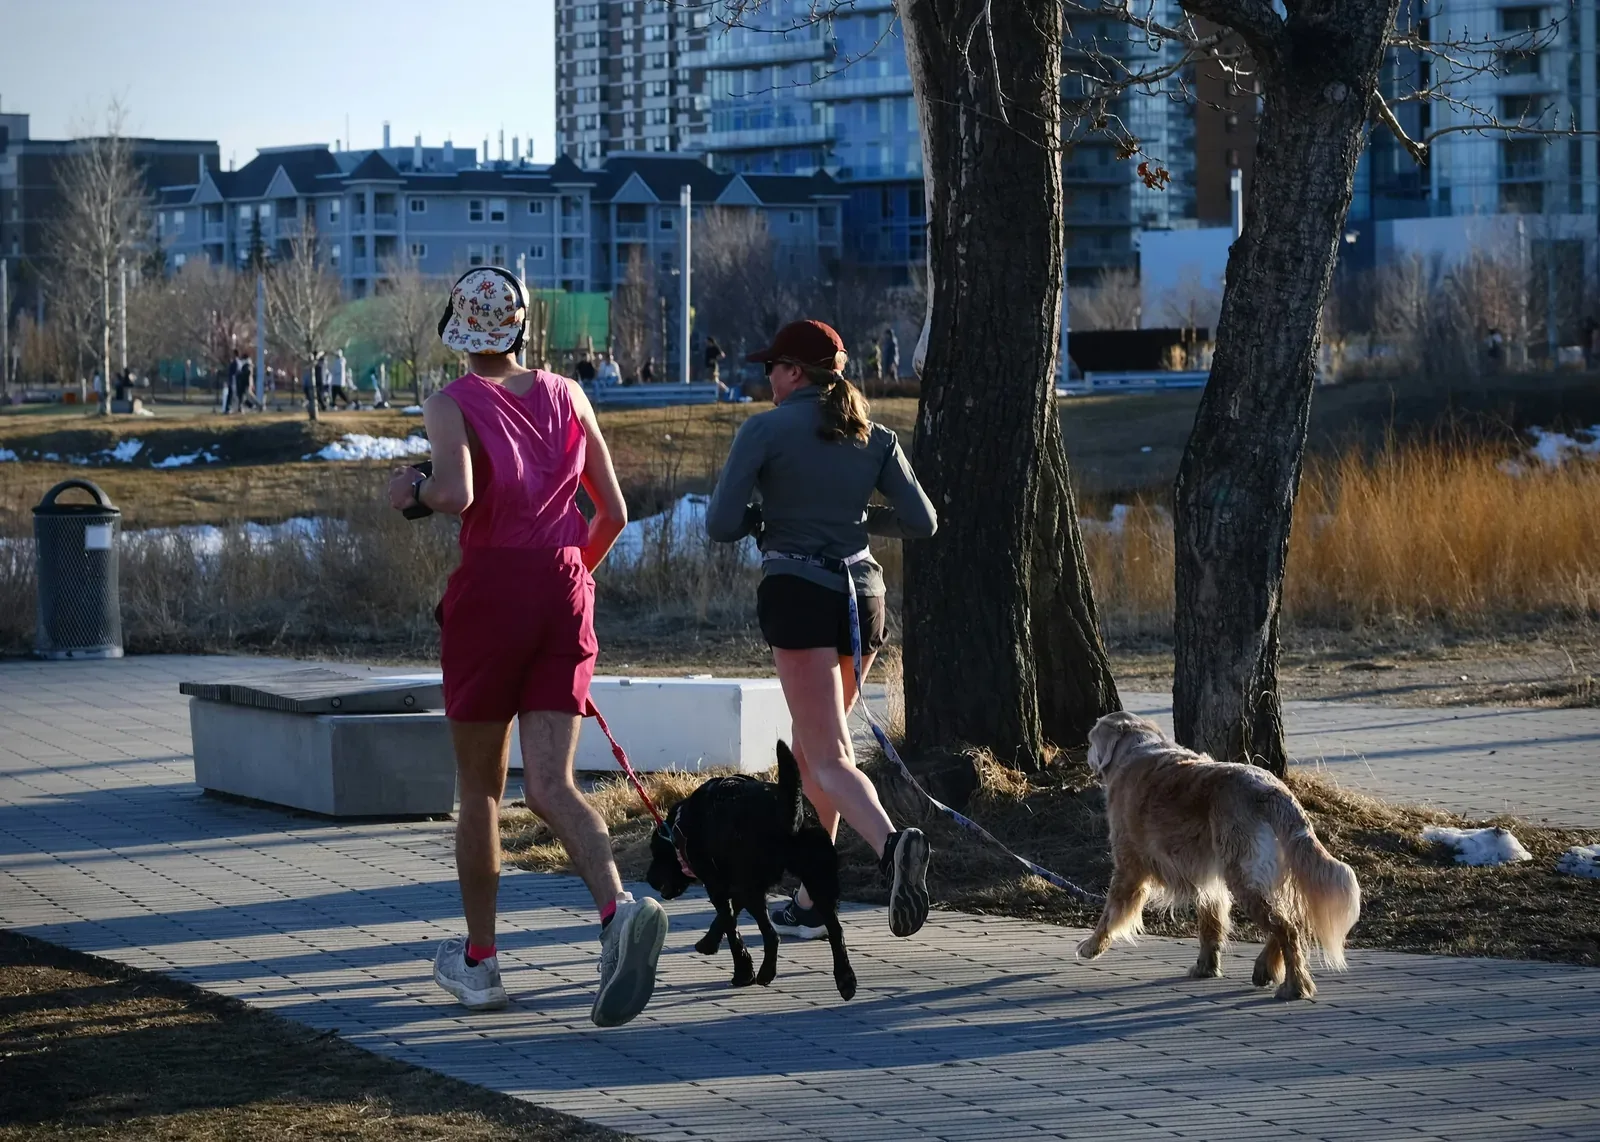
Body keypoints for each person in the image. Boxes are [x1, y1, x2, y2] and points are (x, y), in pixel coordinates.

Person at [386, 266, 668, 1027]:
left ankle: (480, 965)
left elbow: (457, 495)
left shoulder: (450, 402)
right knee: (551, 785)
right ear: (520, 327)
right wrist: (569, 577)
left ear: (458, 330)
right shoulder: (571, 394)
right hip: (564, 587)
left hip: (492, 593)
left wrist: (409, 488)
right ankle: (617, 912)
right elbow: (612, 511)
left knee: (479, 789)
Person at [706, 318, 939, 942]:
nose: (766, 380)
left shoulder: (764, 430)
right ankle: (813, 898)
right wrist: (856, 517)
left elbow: (722, 524)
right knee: (811, 747)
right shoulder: (874, 434)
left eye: (771, 369)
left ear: (794, 372)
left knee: (828, 754)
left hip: (802, 593)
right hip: (864, 596)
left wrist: (768, 519)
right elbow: (923, 522)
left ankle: (896, 850)